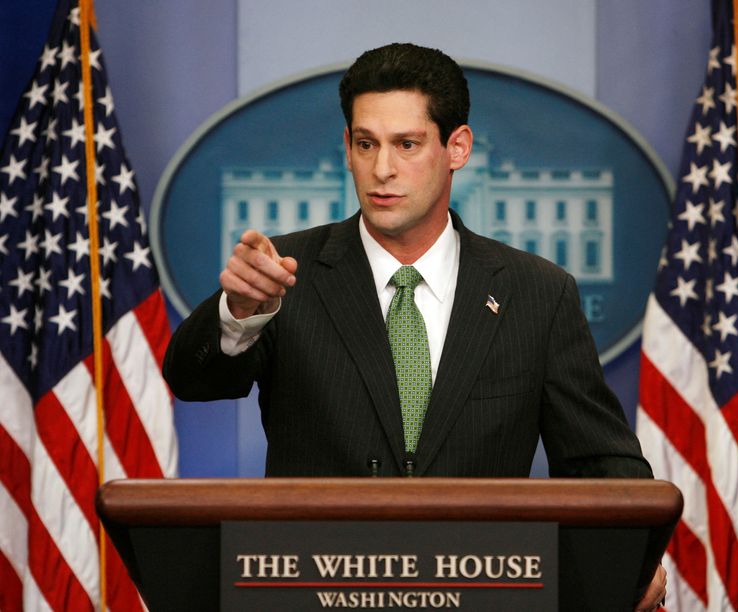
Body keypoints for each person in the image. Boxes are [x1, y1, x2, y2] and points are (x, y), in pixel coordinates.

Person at [162, 43, 665, 609]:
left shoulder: (536, 293)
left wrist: (631, 557)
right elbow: (193, 379)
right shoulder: (285, 276)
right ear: (347, 149)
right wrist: (240, 313)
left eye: (407, 144)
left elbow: (599, 459)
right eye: (365, 143)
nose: (382, 169)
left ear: (457, 148)